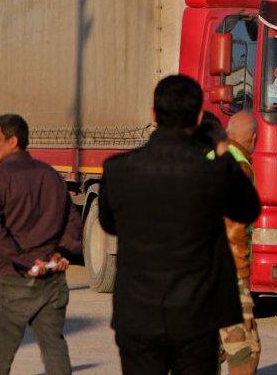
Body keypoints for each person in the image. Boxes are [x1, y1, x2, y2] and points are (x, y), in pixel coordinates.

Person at [97, 75, 260, 374]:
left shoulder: (117, 170)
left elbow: (109, 224)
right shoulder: (213, 173)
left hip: (138, 316)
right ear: (199, 117)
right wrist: (222, 150)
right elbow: (249, 208)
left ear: (153, 115)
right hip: (195, 316)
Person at [0, 113, 82, 375]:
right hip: (51, 280)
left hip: (11, 280)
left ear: (13, 141)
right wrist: (61, 253)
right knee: (55, 350)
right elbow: (72, 219)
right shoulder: (51, 176)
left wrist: (24, 261)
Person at [217, 112, 261, 375]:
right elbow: (234, 227)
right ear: (253, 138)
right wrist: (242, 278)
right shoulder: (240, 167)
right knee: (245, 348)